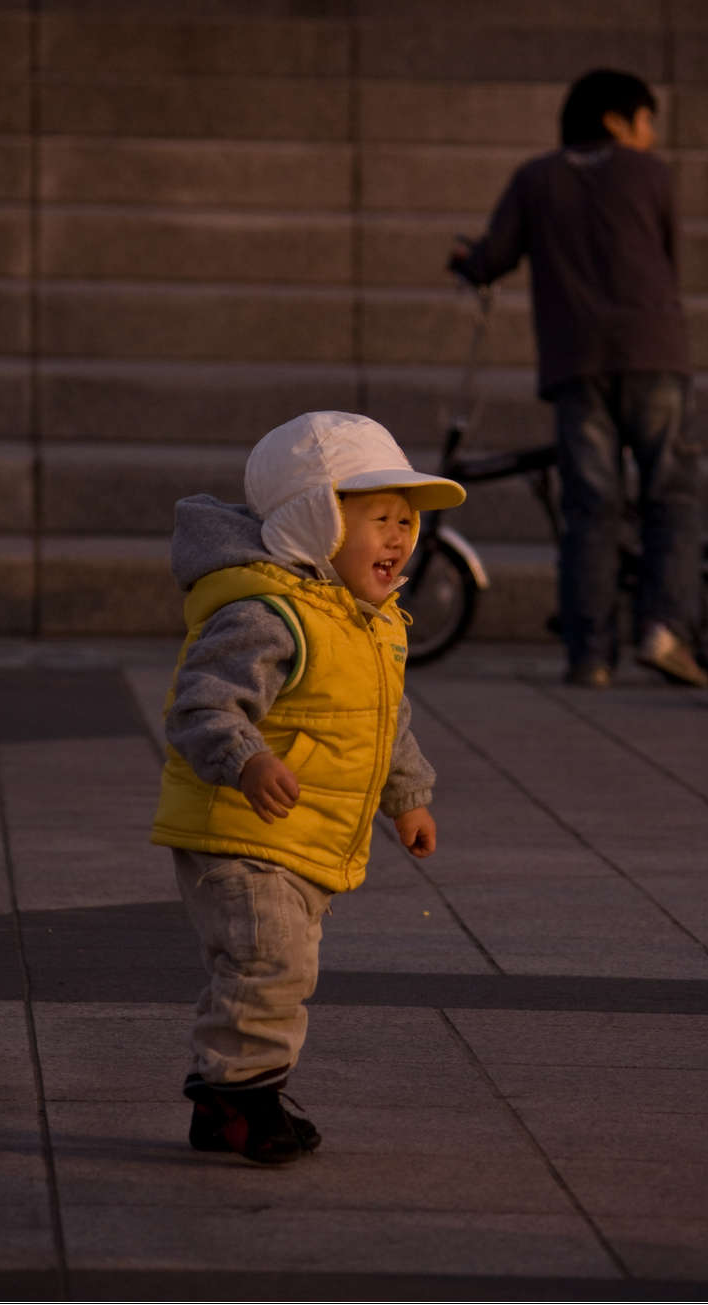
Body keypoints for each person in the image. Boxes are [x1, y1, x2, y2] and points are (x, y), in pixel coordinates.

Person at [151, 410, 465, 1165]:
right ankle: (242, 1097)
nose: (398, 537)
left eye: (406, 521)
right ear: (311, 524)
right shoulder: (266, 613)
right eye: (378, 518)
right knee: (271, 961)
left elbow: (387, 720)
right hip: (240, 828)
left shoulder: (372, 623)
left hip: (302, 837)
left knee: (275, 968)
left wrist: (408, 795)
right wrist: (248, 759)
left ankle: (228, 1092)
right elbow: (202, 702)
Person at [449, 68, 708, 690]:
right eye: (647, 121)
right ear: (618, 120)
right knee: (668, 495)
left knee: (590, 505)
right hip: (654, 351)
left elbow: (495, 256)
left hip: (577, 361)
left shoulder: (536, 177)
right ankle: (664, 628)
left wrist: (469, 261)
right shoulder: (654, 175)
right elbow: (670, 260)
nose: (649, 136)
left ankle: (589, 655)